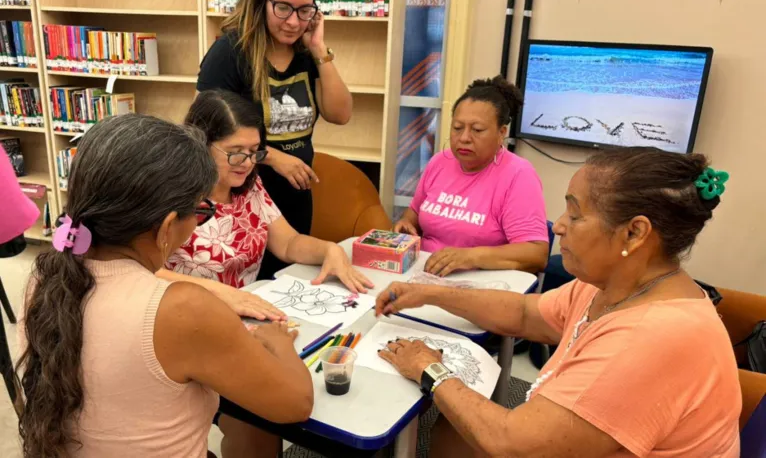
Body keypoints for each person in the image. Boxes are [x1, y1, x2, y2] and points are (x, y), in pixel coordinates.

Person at [376, 147, 740, 457]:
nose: (559, 226)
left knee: (457, 423)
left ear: (635, 232)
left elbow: (509, 441)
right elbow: (523, 313)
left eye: (576, 214)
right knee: (452, 432)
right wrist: (430, 293)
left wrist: (429, 369)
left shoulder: (650, 338)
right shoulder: (613, 286)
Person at [16, 114, 313, 458]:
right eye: (200, 212)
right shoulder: (179, 308)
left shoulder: (45, 278)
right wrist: (279, 343)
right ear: (167, 226)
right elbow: (295, 404)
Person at [158, 90, 371, 457]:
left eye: (255, 151)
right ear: (199, 143)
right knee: (260, 422)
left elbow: (287, 243)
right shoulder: (172, 195)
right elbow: (144, 271)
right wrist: (223, 295)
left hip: (251, 319)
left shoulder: (250, 184)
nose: (246, 162)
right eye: (234, 151)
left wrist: (328, 249)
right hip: (190, 327)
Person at [197, 0, 353, 280]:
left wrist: (319, 49)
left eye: (305, 10)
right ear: (261, 0)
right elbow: (203, 131)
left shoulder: (305, 51)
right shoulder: (229, 52)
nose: (294, 21)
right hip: (244, 193)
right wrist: (273, 158)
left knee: (288, 288)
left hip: (294, 196)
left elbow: (340, 114)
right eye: (283, 8)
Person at [393, 76, 549, 276]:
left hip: (480, 284)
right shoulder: (440, 162)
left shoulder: (519, 175)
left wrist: (469, 257)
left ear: (501, 132)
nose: (464, 138)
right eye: (457, 128)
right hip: (423, 273)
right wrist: (406, 225)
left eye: (477, 130)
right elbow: (413, 215)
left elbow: (536, 254)